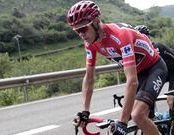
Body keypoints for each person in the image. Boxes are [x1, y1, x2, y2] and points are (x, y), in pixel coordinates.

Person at [67, 1, 168, 135]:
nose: (81, 34)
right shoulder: (90, 43)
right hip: (138, 73)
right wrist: (85, 112)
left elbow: (132, 81)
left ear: (96, 21)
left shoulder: (121, 35)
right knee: (131, 115)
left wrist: (122, 123)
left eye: (83, 28)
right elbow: (89, 78)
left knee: (137, 115)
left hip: (154, 68)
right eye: (76, 31)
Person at [135, 25, 174, 110]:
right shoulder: (139, 54)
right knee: (146, 101)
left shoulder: (159, 47)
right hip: (160, 74)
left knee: (171, 100)